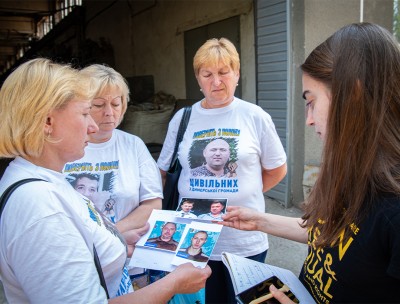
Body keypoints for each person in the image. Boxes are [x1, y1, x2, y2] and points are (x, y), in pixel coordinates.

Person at [0, 58, 211, 303]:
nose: (94, 125)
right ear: (48, 122)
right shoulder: (41, 209)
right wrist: (173, 284)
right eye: (85, 112)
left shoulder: (45, 183)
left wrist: (116, 240)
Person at [220, 23, 400, 303]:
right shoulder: (353, 168)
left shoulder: (393, 205)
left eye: (311, 101)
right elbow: (327, 233)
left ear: (351, 94)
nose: (309, 119)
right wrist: (260, 220)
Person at [158, 37, 287, 303]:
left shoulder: (255, 116)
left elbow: (277, 169)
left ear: (237, 74)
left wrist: (244, 194)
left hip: (244, 241)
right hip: (193, 239)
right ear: (198, 78)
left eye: (223, 72)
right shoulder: (183, 118)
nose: (216, 82)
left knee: (248, 300)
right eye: (208, 74)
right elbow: (163, 172)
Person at [62, 64, 163, 282]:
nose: (110, 112)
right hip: (80, 262)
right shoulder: (64, 147)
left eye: (116, 103)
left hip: (129, 262)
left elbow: (153, 204)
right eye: (98, 105)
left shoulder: (133, 146)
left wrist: (111, 233)